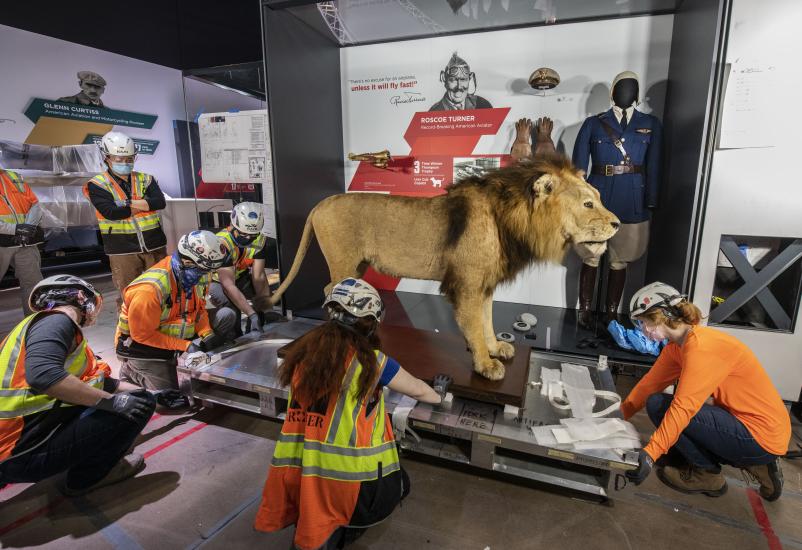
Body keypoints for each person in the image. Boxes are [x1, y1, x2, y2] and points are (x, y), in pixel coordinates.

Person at [254, 278, 445, 550]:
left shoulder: (302, 354)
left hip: (299, 471)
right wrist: (440, 393)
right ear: (370, 322)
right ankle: (347, 530)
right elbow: (421, 392)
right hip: (350, 486)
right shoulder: (372, 363)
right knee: (402, 483)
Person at [0, 275, 186, 496]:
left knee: (140, 398)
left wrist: (155, 394)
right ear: (81, 297)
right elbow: (44, 376)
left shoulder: (38, 329)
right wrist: (113, 404)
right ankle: (88, 477)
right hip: (18, 452)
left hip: (15, 445)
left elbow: (100, 383)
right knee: (137, 406)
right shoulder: (58, 321)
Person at [622, 282, 791, 501]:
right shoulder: (677, 347)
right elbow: (647, 387)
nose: (643, 329)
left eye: (644, 322)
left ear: (662, 316)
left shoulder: (702, 348)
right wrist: (615, 419)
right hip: (745, 422)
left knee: (672, 410)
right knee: (656, 402)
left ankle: (708, 474)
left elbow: (684, 408)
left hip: (761, 434)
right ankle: (751, 463)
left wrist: (650, 454)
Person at [572, 71, 663, 329]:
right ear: (613, 91)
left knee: (619, 259)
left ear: (637, 92)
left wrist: (652, 198)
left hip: (632, 199)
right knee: (590, 255)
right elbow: (578, 168)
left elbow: (654, 164)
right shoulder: (593, 123)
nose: (626, 91)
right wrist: (579, 202)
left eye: (631, 86)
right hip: (598, 198)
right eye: (621, 87)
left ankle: (612, 313)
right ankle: (585, 309)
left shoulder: (651, 124)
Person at [116, 230, 228, 390]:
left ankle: (176, 359)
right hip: (141, 346)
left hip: (175, 336)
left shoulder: (199, 274)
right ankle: (132, 371)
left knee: (226, 316)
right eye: (202, 270)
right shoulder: (149, 290)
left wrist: (206, 332)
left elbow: (199, 308)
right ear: (187, 262)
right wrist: (186, 346)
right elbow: (142, 335)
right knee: (173, 394)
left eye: (208, 270)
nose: (205, 275)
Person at [83, 131, 168, 309]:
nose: (125, 163)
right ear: (106, 158)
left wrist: (126, 204)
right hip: (122, 250)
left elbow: (159, 202)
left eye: (129, 158)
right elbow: (111, 212)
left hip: (154, 244)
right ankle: (128, 333)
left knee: (164, 289)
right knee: (129, 295)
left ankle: (162, 325)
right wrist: (144, 204)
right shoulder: (97, 184)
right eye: (119, 159)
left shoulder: (146, 179)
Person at [209, 202, 274, 340]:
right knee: (232, 306)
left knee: (259, 301)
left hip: (240, 277)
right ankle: (233, 338)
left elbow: (259, 276)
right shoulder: (222, 243)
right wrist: (251, 314)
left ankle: (256, 329)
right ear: (233, 226)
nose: (249, 239)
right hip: (217, 282)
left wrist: (263, 305)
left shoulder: (260, 239)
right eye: (244, 234)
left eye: (253, 235)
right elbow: (228, 286)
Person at [0, 168, 44, 315]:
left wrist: (28, 229)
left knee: (33, 286)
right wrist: (16, 229)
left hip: (25, 242)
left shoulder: (13, 176)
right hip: (4, 241)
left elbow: (35, 204)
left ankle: (33, 325)